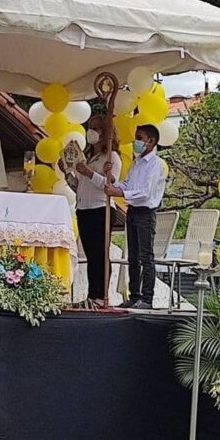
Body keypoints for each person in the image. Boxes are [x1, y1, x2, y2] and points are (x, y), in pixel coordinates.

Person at [104, 124, 165, 310]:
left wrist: (120, 194)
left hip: (145, 212)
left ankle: (148, 298)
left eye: (140, 137)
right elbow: (129, 183)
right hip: (133, 211)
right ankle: (134, 294)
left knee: (146, 256)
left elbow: (145, 192)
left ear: (151, 141)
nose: (136, 142)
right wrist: (115, 184)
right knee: (133, 256)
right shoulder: (137, 162)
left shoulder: (156, 165)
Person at [72, 115, 122, 307]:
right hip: (84, 208)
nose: (92, 131)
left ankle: (101, 296)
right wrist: (70, 174)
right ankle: (91, 295)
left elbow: (109, 185)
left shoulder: (111, 157)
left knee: (100, 254)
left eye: (97, 128)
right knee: (91, 254)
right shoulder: (88, 157)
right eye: (91, 127)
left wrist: (89, 173)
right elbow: (79, 186)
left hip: (101, 208)